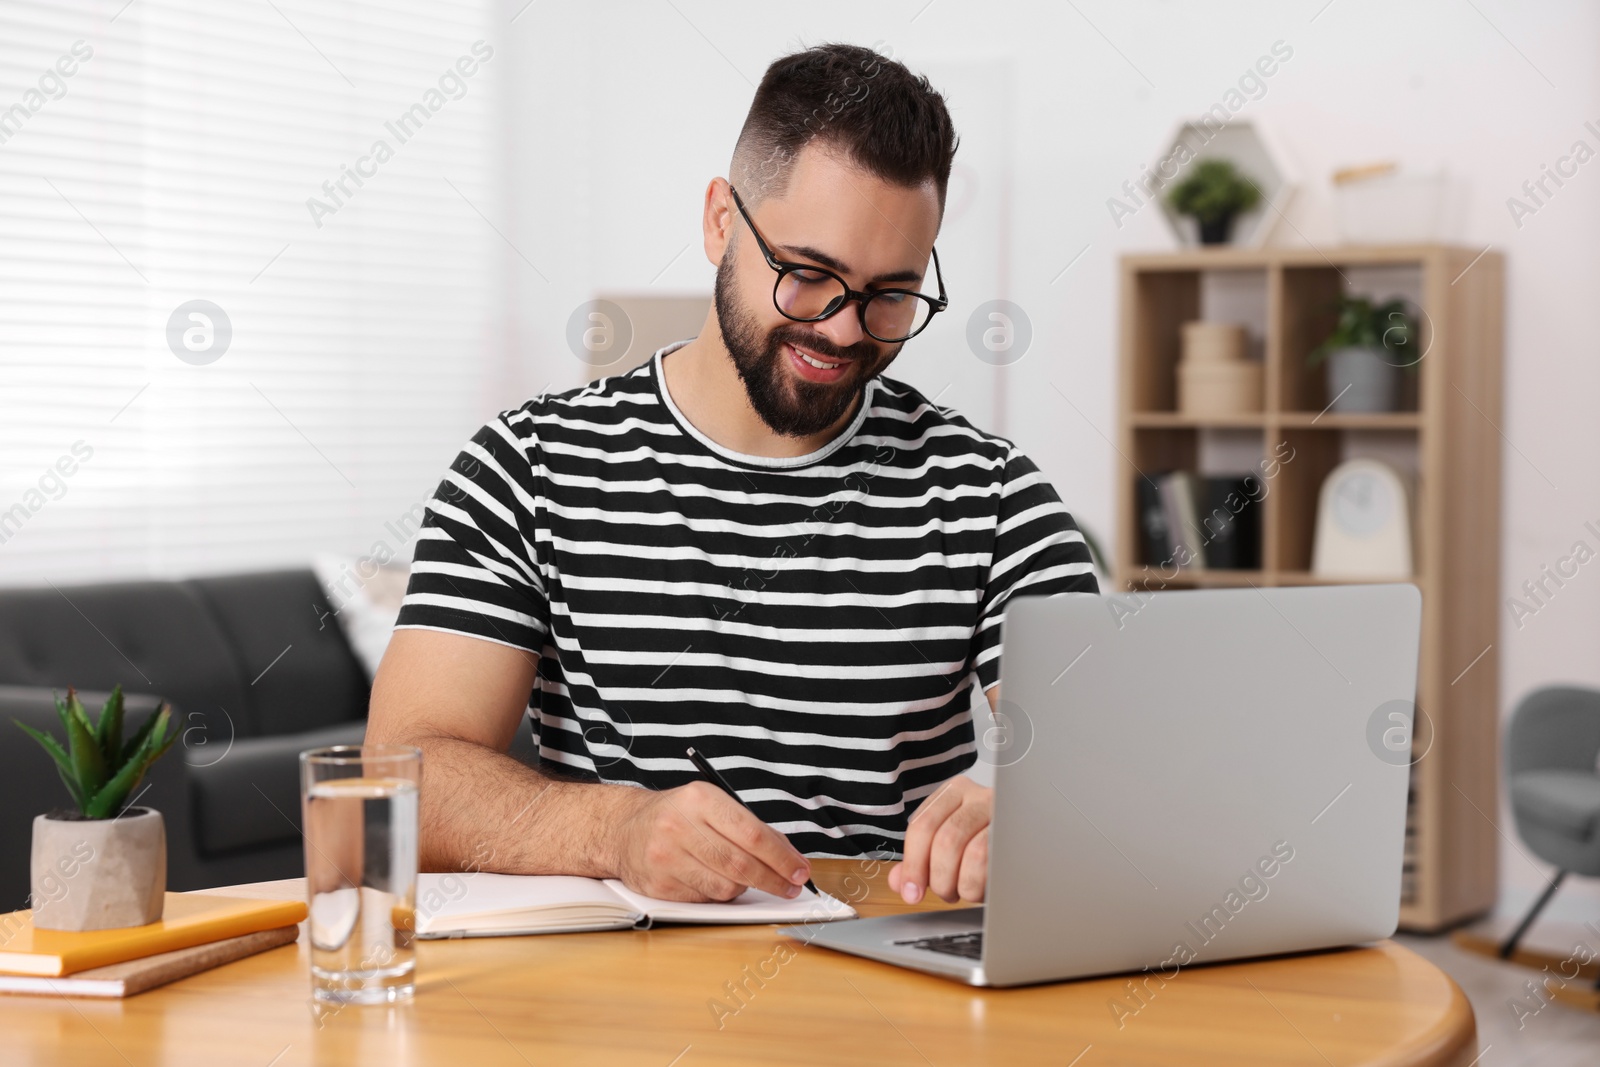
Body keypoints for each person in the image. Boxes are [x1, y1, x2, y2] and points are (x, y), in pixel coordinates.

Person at [367, 42, 1096, 908]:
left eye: (890, 294)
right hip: (618, 1012)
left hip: (896, 1000)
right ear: (721, 220)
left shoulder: (992, 496)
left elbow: (1106, 760)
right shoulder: (526, 469)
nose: (843, 329)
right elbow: (399, 786)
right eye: (807, 274)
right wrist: (616, 830)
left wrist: (1034, 811)